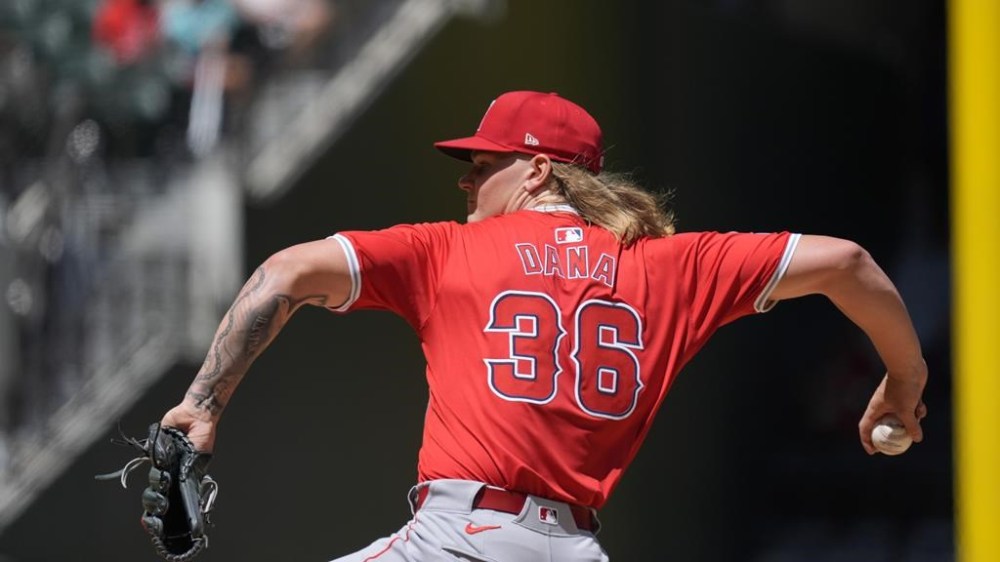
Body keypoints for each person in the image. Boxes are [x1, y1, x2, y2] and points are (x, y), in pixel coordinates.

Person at [159, 90, 929, 561]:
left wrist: (203, 402)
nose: (466, 176)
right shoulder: (673, 266)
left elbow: (285, 274)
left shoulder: (447, 251)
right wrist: (905, 379)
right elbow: (849, 264)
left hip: (460, 542)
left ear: (537, 170)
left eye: (484, 162)